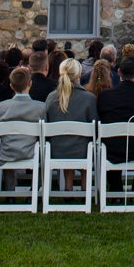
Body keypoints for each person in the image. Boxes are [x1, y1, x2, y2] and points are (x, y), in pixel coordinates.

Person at [45, 57, 98, 189]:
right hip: (83, 152)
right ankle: (85, 185)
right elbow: (95, 127)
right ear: (80, 74)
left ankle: (68, 186)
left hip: (56, 151)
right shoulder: (88, 98)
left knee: (68, 140)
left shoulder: (51, 97)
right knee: (85, 141)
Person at [0, 67, 45, 169]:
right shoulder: (40, 107)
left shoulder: (2, 106)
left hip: (6, 153)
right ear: (30, 84)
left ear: (11, 86)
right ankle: (37, 183)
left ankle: (9, 185)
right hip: (31, 152)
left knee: (8, 143)